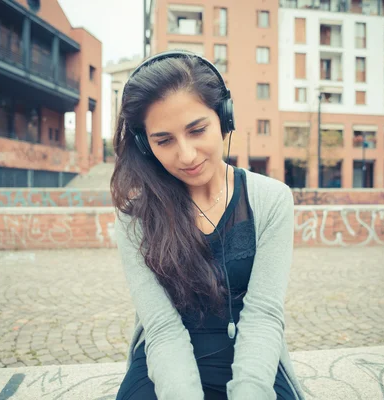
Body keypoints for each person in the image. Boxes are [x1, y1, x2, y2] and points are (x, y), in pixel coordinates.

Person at [110, 50, 305, 400]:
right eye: (164, 140)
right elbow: (161, 326)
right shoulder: (134, 216)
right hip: (164, 357)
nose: (186, 155)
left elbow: (262, 316)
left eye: (197, 130)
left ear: (224, 118)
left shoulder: (271, 199)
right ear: (144, 143)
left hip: (252, 355)